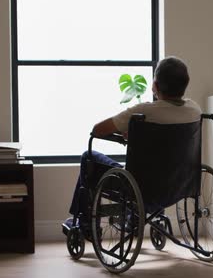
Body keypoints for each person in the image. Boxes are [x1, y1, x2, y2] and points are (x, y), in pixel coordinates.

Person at [67, 56, 202, 231]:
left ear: (155, 85)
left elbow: (97, 130)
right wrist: (139, 137)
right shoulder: (194, 110)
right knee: (152, 171)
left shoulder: (143, 112)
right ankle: (133, 217)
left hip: (140, 187)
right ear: (186, 83)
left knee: (88, 156)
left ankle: (84, 223)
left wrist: (128, 133)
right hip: (180, 183)